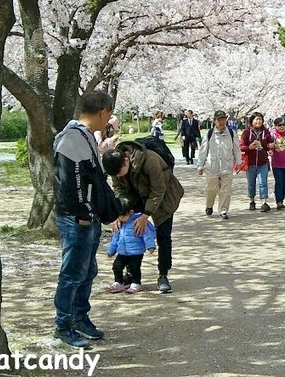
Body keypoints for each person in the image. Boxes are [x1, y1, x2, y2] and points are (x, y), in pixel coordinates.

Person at [52, 90, 123, 348]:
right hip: (76, 218)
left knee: (87, 270)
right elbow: (73, 183)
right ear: (103, 111)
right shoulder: (72, 138)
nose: (109, 120)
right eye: (110, 114)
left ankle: (81, 317)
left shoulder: (86, 137)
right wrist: (83, 214)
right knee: (72, 273)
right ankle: (63, 325)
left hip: (88, 217)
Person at [102, 137, 185, 294]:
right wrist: (120, 213)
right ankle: (131, 274)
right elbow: (119, 190)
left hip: (164, 196)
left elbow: (158, 189)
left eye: (120, 173)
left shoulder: (150, 160)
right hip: (137, 195)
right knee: (131, 231)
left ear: (126, 160)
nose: (118, 177)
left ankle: (163, 274)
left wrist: (145, 215)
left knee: (163, 236)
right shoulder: (116, 165)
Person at [197, 110, 240, 220]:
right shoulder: (209, 133)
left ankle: (223, 210)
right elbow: (203, 150)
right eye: (219, 119)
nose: (222, 122)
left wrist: (238, 162)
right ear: (214, 121)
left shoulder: (231, 133)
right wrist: (200, 165)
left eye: (223, 119)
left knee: (225, 190)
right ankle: (209, 204)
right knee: (210, 189)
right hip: (212, 166)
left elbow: (236, 149)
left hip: (227, 166)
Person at [106, 211, 156, 294]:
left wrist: (150, 246)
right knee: (116, 266)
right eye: (119, 216)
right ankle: (119, 282)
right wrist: (111, 250)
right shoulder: (119, 223)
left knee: (134, 268)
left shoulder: (138, 221)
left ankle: (136, 283)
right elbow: (115, 238)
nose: (121, 218)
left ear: (130, 212)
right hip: (122, 252)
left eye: (123, 216)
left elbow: (147, 235)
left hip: (136, 252)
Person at [240, 113, 273, 212]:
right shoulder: (246, 133)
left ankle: (264, 202)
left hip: (263, 162)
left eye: (260, 119)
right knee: (251, 183)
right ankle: (252, 201)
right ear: (252, 121)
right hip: (250, 163)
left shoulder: (266, 132)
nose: (258, 121)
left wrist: (270, 148)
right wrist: (249, 147)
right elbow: (241, 146)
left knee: (263, 183)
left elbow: (268, 144)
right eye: (256, 119)